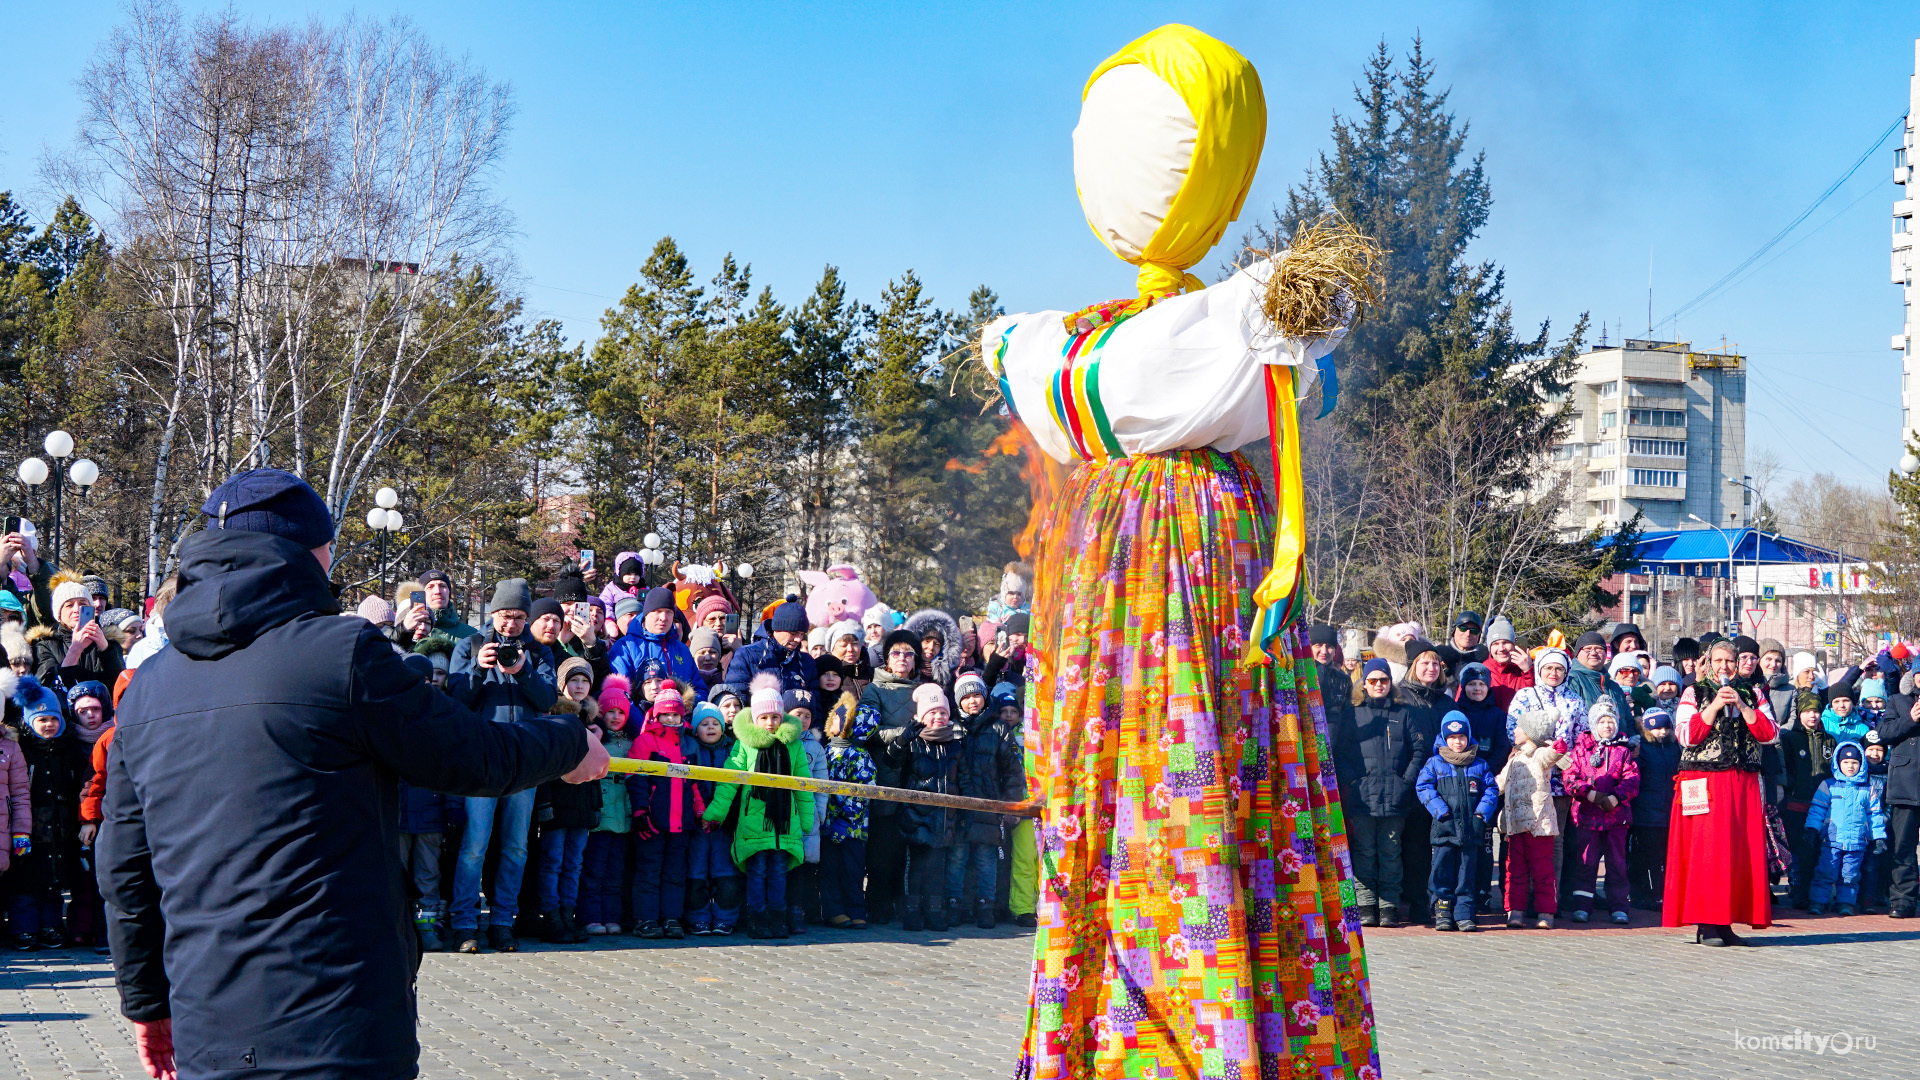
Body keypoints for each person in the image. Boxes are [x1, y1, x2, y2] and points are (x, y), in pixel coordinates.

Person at [99, 469, 604, 1080]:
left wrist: (147, 1004)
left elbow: (126, 866)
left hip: (209, 1025)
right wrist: (569, 740)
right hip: (338, 1022)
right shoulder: (343, 654)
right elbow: (472, 755)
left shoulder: (148, 687)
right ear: (312, 551)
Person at [446, 577, 562, 954]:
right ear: (493, 613)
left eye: (518, 617)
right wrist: (479, 668)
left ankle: (502, 923)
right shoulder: (471, 645)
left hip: (524, 761)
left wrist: (523, 671)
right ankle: (465, 923)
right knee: (474, 845)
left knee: (516, 847)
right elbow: (457, 700)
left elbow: (546, 699)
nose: (510, 624)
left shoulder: (539, 653)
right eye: (504, 616)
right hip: (484, 760)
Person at [1665, 638, 1778, 946]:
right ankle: (1706, 924)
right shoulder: (1694, 692)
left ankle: (1727, 921)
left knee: (1738, 852)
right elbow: (1686, 736)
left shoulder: (1753, 694)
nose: (1725, 666)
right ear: (1709, 663)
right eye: (1719, 661)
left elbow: (1770, 735)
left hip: (1743, 783)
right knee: (1706, 851)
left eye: (1730, 660)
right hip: (1704, 781)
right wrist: (1714, 706)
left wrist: (1742, 706)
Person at [701, 675, 814, 940]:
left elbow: (803, 785)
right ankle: (757, 918)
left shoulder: (793, 745)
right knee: (757, 871)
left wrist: (807, 820)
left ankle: (777, 918)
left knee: (777, 873)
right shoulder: (745, 745)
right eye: (764, 718)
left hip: (785, 824)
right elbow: (729, 781)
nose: (770, 723)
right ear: (755, 720)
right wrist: (714, 814)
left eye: (775, 717)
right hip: (754, 822)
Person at [1331, 658, 1426, 927]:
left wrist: (1405, 780)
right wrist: (1353, 781)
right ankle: (1366, 904)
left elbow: (1418, 750)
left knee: (1391, 851)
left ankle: (1389, 905)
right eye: (1372, 680)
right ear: (1364, 684)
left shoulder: (1403, 713)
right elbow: (1341, 752)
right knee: (1364, 851)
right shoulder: (1353, 713)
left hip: (1395, 796)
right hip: (1363, 796)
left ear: (1390, 683)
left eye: (1383, 680)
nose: (1378, 685)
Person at [8, 675, 86, 948]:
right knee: (25, 882)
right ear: (30, 722)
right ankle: (24, 928)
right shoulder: (23, 750)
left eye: (53, 719)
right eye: (42, 720)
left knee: (54, 880)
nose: (49, 724)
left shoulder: (68, 749)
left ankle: (51, 926)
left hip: (60, 825)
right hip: (30, 826)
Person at [856, 627, 923, 923]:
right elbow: (868, 730)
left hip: (916, 775)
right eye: (896, 652)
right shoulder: (875, 690)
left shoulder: (925, 690)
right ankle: (878, 905)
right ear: (886, 659)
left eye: (909, 654)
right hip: (884, 773)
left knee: (904, 850)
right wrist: (904, 734)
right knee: (882, 850)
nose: (903, 658)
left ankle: (903, 904)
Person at [887, 682, 964, 932]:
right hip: (915, 818)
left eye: (942, 712)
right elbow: (890, 760)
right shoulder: (914, 742)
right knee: (916, 868)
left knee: (937, 869)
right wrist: (904, 738)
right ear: (921, 717)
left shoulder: (955, 744)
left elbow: (961, 780)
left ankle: (934, 911)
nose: (939, 717)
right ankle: (912, 911)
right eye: (932, 713)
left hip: (943, 819)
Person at [627, 681, 700, 940]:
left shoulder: (689, 744)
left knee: (675, 873)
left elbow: (695, 784)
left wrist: (700, 811)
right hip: (654, 821)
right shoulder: (645, 741)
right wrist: (640, 812)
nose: (671, 718)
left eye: (675, 713)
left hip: (682, 822)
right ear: (656, 714)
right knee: (649, 871)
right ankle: (645, 918)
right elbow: (636, 780)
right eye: (666, 713)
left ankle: (671, 917)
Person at [1416, 712, 1499, 932]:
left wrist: (1481, 814)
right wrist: (1440, 811)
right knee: (1442, 871)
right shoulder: (1434, 763)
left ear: (1469, 737)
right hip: (1445, 828)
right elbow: (1423, 787)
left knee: (1466, 872)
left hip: (1471, 830)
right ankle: (1442, 911)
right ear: (1444, 739)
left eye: (1462, 737)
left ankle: (1464, 912)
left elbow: (1491, 790)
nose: (1457, 741)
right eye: (1452, 737)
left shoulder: (1479, 765)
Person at [953, 670, 1021, 929]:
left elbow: (1011, 770)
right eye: (967, 696)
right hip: (958, 807)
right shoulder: (953, 726)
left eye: (977, 695)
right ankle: (955, 905)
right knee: (957, 857)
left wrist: (1011, 804)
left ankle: (985, 907)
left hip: (989, 804)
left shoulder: (998, 728)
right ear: (958, 700)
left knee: (986, 858)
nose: (972, 701)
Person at [1561, 701, 1639, 925]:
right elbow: (1570, 779)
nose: (1607, 726)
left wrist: (1615, 798)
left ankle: (1619, 906)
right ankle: (1583, 905)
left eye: (1610, 721)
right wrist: (1592, 795)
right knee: (1586, 863)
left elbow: (1632, 780)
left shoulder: (1623, 751)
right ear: (1594, 724)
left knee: (1617, 864)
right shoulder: (1580, 750)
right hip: (1587, 817)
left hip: (1617, 818)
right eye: (1602, 721)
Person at [579, 675, 635, 936]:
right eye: (609, 711)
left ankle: (612, 916)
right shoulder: (596, 740)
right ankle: (591, 916)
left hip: (623, 821)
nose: (615, 716)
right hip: (600, 820)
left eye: (620, 712)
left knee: (615, 874)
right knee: (594, 872)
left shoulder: (633, 745)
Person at [1498, 709, 1562, 929]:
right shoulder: (1514, 757)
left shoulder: (1539, 754)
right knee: (1515, 869)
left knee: (1542, 870)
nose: (1514, 731)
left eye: (1519, 727)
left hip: (1538, 825)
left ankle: (1546, 912)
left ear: (1531, 732)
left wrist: (1557, 748)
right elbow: (1501, 781)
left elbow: (1551, 755)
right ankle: (1515, 910)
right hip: (1515, 825)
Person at [1805, 741, 1884, 916]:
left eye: (1854, 762)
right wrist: (1812, 829)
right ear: (1838, 763)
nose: (1850, 766)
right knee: (1826, 872)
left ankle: (1845, 902)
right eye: (1846, 762)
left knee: (1850, 875)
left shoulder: (1867, 789)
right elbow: (1817, 810)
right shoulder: (1829, 785)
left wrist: (1878, 837)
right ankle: (1818, 901)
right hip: (1832, 840)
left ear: (1861, 764)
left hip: (1857, 841)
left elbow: (1874, 815)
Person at [683, 701, 742, 936]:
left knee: (725, 874)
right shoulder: (688, 748)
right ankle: (697, 918)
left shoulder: (732, 749)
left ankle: (725, 918)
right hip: (696, 825)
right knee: (696, 874)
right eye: (704, 724)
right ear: (695, 728)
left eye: (715, 723)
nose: (710, 727)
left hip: (724, 826)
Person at [821, 692, 878, 930]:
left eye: (837, 718)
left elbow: (864, 791)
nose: (832, 721)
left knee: (853, 870)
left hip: (852, 828)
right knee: (830, 869)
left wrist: (846, 819)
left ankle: (856, 910)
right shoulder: (828, 751)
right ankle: (834, 911)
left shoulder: (859, 755)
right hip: (828, 826)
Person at [1781, 691, 1835, 910]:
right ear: (1800, 713)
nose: (1812, 716)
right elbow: (1786, 768)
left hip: (1820, 805)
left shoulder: (1829, 739)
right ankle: (1798, 891)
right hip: (1796, 803)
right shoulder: (1791, 738)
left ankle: (1813, 893)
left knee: (1815, 851)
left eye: (1816, 711)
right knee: (1798, 851)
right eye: (1808, 711)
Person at [34, 572, 128, 691]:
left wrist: (105, 649)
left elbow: (120, 685)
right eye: (69, 605)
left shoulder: (109, 642)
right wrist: (75, 649)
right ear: (59, 613)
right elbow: (47, 685)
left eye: (82, 604)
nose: (76, 610)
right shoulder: (47, 644)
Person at [609, 586, 706, 698]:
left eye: (669, 612)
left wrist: (687, 706)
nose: (663, 617)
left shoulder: (682, 650)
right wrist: (643, 714)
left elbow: (700, 690)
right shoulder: (625, 647)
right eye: (657, 611)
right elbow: (620, 694)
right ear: (646, 614)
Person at [1629, 708, 1681, 911]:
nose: (1663, 732)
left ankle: (1662, 892)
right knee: (1644, 855)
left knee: (1664, 855)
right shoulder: (1642, 748)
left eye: (1666, 727)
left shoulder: (1673, 747)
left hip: (1668, 810)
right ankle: (1642, 894)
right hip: (1645, 812)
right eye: (1658, 728)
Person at [723, 597, 817, 697]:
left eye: (802, 634)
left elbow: (816, 702)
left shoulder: (806, 661)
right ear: (776, 629)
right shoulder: (746, 655)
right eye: (793, 633)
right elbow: (736, 698)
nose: (798, 639)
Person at [1881, 691, 1920, 918]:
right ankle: (1903, 901)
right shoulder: (1898, 701)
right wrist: (1910, 719)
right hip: (1905, 785)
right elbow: (1883, 733)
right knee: (1902, 847)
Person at [905, 608, 963, 697]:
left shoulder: (948, 678)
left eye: (937, 644)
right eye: (927, 641)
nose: (931, 648)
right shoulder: (906, 672)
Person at [417, 569, 478, 639]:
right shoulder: (408, 632)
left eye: (442, 586)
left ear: (449, 592)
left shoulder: (471, 635)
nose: (438, 591)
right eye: (430, 587)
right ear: (421, 594)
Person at [1435, 611, 1487, 679]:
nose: (1467, 634)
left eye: (1474, 631)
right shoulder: (1439, 654)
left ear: (1479, 635)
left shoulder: (1484, 657)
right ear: (1454, 631)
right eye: (1463, 629)